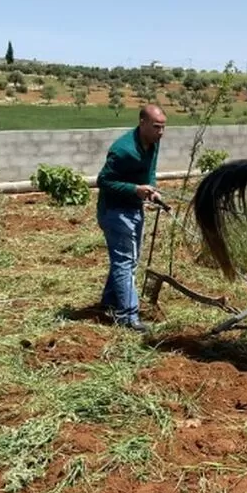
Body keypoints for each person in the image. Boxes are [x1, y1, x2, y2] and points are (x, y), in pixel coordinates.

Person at [95, 104, 166, 332]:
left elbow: (150, 170)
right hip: (115, 211)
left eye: (163, 127)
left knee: (128, 260)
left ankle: (109, 301)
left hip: (134, 209)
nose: (161, 132)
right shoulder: (123, 149)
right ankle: (127, 316)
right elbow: (103, 181)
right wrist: (135, 189)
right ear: (142, 122)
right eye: (156, 127)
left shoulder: (152, 143)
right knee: (125, 261)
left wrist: (152, 189)